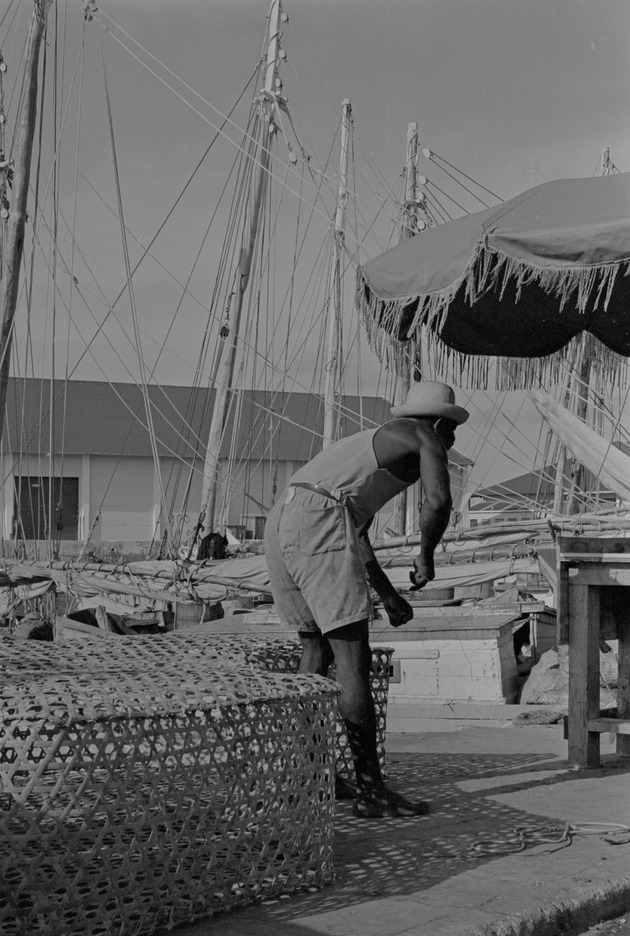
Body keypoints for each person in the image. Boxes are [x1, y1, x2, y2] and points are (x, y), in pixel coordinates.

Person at [264, 381, 469, 818]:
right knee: (352, 661)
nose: (449, 444)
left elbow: (353, 532)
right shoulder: (423, 436)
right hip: (318, 517)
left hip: (283, 515)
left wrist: (388, 594)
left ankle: (313, 775)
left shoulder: (365, 448)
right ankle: (373, 792)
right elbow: (437, 503)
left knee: (314, 650)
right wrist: (426, 556)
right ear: (437, 423)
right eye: (451, 434)